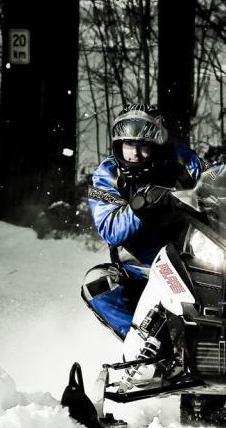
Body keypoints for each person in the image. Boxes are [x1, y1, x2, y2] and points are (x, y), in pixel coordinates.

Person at [78, 104, 205, 339]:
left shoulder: (183, 160)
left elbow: (218, 176)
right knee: (97, 285)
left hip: (193, 263)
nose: (135, 154)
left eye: (143, 146)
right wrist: (143, 204)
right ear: (119, 145)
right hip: (140, 273)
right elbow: (110, 229)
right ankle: (143, 346)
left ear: (157, 146)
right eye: (129, 145)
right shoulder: (107, 175)